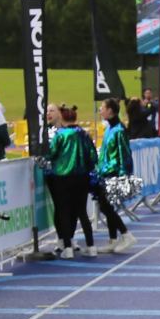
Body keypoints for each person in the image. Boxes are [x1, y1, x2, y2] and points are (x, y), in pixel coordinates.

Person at [44, 104, 99, 258]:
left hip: (62, 177)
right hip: (82, 177)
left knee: (63, 210)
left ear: (62, 118)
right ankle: (91, 246)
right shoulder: (84, 134)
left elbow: (51, 154)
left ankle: (67, 247)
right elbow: (93, 156)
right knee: (82, 212)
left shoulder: (60, 135)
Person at [93, 97, 137, 252]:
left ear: (110, 111)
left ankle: (126, 234)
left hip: (114, 174)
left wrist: (123, 175)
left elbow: (124, 154)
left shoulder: (119, 130)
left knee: (106, 206)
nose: (100, 110)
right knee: (107, 206)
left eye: (103, 107)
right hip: (105, 174)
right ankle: (112, 239)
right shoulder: (109, 129)